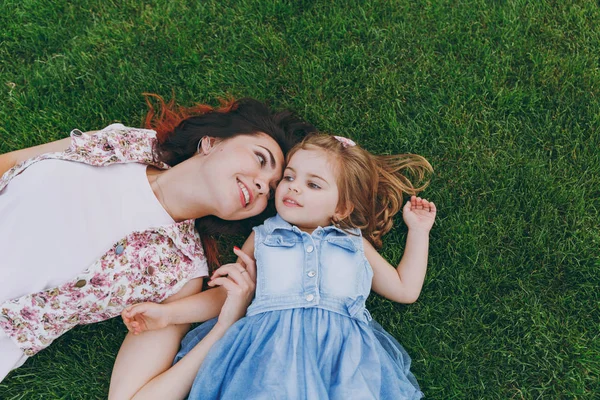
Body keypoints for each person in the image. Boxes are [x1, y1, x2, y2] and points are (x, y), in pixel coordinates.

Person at [0, 95, 316, 398]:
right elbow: (10, 162)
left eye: (270, 191)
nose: (262, 185)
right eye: (260, 159)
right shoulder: (124, 144)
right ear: (212, 141)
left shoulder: (181, 272)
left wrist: (224, 325)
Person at [122, 133, 436, 399]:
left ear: (342, 207)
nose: (293, 187)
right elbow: (228, 296)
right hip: (267, 356)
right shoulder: (264, 238)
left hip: (341, 364)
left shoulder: (353, 243)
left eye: (313, 185)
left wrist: (418, 232)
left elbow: (405, 289)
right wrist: (168, 315)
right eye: (289, 177)